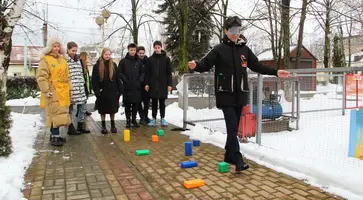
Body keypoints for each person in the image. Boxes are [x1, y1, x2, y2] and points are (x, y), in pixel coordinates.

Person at [187, 16, 290, 174]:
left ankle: (228, 155)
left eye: (238, 30)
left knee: (233, 129)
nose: (236, 34)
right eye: (232, 31)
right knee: (233, 128)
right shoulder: (219, 49)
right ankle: (237, 158)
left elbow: (257, 65)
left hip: (240, 95)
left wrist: (276, 72)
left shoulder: (244, 50)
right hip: (225, 95)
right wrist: (195, 66)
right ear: (226, 31)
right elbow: (205, 64)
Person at [37, 37, 71, 146]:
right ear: (50, 47)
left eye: (58, 46)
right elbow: (42, 76)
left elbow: (67, 75)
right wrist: (46, 90)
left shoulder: (63, 59)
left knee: (61, 114)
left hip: (63, 91)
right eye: (54, 46)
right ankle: (55, 136)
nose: (56, 48)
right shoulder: (45, 59)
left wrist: (70, 87)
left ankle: (55, 135)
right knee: (54, 113)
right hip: (53, 90)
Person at [92, 48, 123, 134]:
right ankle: (103, 126)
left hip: (113, 92)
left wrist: (120, 90)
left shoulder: (113, 65)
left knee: (112, 110)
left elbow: (117, 78)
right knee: (103, 110)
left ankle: (113, 126)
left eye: (109, 54)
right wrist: (97, 91)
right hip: (102, 92)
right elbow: (94, 81)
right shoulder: (97, 66)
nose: (107, 56)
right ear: (102, 54)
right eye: (106, 54)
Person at [145, 41, 172, 126]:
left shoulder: (166, 59)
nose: (157, 49)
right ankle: (153, 118)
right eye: (155, 48)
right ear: (154, 48)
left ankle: (163, 118)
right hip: (153, 85)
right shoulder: (150, 59)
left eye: (158, 47)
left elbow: (169, 72)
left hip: (163, 84)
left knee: (162, 103)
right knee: (154, 103)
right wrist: (147, 84)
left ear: (161, 47)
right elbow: (147, 73)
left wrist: (169, 84)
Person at [118, 43, 145, 128]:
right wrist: (125, 80)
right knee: (127, 105)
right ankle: (128, 121)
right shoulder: (123, 61)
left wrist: (140, 80)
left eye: (134, 50)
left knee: (136, 105)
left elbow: (143, 72)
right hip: (127, 87)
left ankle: (134, 120)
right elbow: (119, 73)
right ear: (128, 50)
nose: (133, 52)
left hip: (137, 87)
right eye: (131, 50)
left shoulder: (139, 61)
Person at [66, 42, 90, 134]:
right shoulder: (64, 60)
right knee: (70, 110)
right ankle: (70, 127)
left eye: (76, 51)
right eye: (72, 50)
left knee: (83, 107)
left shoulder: (78, 60)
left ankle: (80, 125)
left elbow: (81, 74)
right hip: (70, 89)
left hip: (80, 88)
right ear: (67, 50)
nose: (74, 52)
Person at [136, 46, 150, 124]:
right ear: (137, 53)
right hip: (138, 85)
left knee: (146, 102)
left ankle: (146, 116)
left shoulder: (147, 61)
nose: (141, 55)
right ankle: (142, 117)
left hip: (146, 84)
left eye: (143, 53)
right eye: (140, 53)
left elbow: (149, 73)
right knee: (138, 102)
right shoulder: (135, 61)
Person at [79, 52, 93, 116]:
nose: (87, 58)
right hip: (83, 85)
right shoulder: (80, 64)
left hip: (86, 84)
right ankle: (83, 111)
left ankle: (83, 111)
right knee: (83, 100)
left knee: (85, 99)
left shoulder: (85, 65)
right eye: (86, 57)